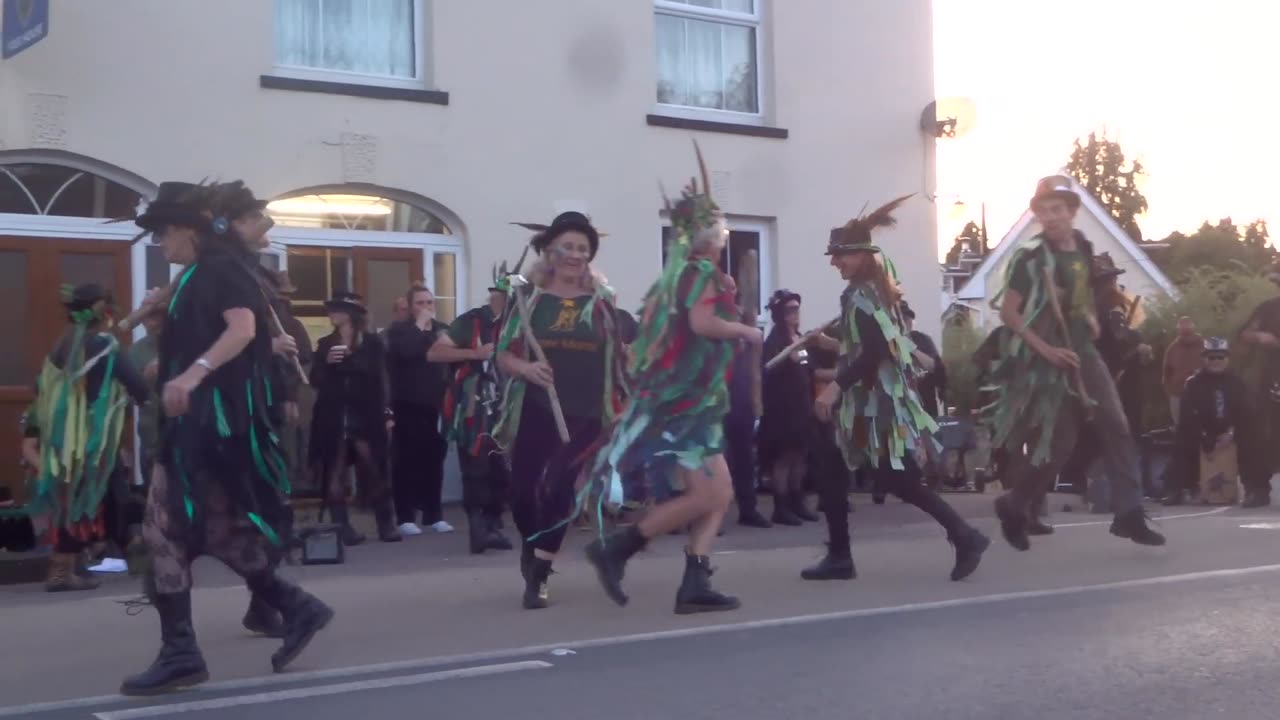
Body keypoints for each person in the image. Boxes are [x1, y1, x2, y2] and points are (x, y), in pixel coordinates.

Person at [121, 181, 332, 696]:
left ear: (190, 230)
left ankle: (182, 653)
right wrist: (158, 341)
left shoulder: (223, 270)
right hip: (196, 424)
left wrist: (191, 374)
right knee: (209, 532)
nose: (161, 244)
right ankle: (293, 606)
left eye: (166, 233)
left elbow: (240, 330)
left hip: (216, 425)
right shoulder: (196, 274)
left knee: (165, 531)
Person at [581, 146, 762, 615]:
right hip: (689, 411)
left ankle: (694, 580)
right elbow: (703, 325)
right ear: (709, 234)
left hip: (688, 404)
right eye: (720, 229)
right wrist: (745, 329)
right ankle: (618, 547)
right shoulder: (704, 274)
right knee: (710, 492)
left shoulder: (676, 276)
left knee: (719, 494)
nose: (724, 237)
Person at [804, 196, 989, 582]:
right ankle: (841, 555)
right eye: (834, 255)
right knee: (835, 466)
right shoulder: (870, 291)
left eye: (840, 255)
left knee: (894, 480)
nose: (834, 262)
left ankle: (964, 535)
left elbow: (875, 350)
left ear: (861, 255)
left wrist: (835, 386)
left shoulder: (864, 294)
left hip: (874, 403)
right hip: (869, 400)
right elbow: (872, 346)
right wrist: (831, 346)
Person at [985, 175, 1164, 550]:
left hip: (1083, 351)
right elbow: (1009, 314)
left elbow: (1080, 294)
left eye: (1057, 210)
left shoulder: (1082, 246)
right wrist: (1047, 351)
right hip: (1046, 359)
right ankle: (1016, 503)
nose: (1050, 217)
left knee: (1116, 425)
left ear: (1072, 211)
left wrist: (1091, 319)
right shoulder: (1031, 258)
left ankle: (1130, 515)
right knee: (1061, 444)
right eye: (1044, 211)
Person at [492, 211, 629, 609]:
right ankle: (533, 545)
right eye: (568, 246)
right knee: (521, 493)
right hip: (537, 408)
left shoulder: (603, 302)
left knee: (559, 490)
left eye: (583, 248)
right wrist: (528, 369)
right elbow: (504, 356)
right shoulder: (528, 300)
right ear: (550, 250)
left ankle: (540, 573)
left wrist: (624, 400)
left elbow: (617, 356)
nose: (575, 254)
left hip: (586, 412)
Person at [13, 284, 150, 592]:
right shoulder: (103, 344)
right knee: (80, 500)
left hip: (62, 438)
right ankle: (63, 573)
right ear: (104, 309)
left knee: (75, 499)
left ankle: (74, 566)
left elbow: (41, 388)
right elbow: (137, 385)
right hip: (88, 439)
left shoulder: (63, 344)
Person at [428, 266, 518, 554]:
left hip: (507, 407)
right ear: (498, 296)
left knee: (502, 472)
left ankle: (491, 527)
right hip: (474, 406)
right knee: (476, 468)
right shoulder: (471, 321)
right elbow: (435, 353)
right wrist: (474, 354)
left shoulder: (518, 325)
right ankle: (478, 531)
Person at [309, 292, 400, 545]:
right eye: (331, 310)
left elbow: (382, 379)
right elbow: (315, 380)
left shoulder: (371, 343)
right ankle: (342, 527)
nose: (331, 314)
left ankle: (386, 523)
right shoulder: (326, 343)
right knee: (334, 470)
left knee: (374, 467)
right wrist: (327, 363)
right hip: (333, 414)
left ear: (349, 314)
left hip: (366, 414)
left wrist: (387, 412)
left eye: (336, 310)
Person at [385, 285, 453, 535]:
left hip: (436, 404)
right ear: (411, 307)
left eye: (429, 302)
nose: (426, 307)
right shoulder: (400, 330)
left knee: (434, 459)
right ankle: (405, 516)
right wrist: (418, 326)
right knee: (406, 461)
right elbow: (404, 352)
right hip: (407, 404)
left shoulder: (441, 330)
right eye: (420, 303)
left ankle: (433, 514)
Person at [1166, 338, 1263, 506]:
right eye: (1211, 357)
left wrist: (1231, 433)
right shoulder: (1193, 383)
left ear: (1227, 359)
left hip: (1232, 430)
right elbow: (1188, 417)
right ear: (1204, 359)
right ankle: (1177, 489)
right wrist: (1205, 438)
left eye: (1220, 357)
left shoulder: (1237, 382)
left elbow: (1247, 413)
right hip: (1203, 430)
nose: (1216, 361)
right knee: (1182, 439)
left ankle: (1254, 491)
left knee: (1252, 439)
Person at [757, 289, 820, 525]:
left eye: (797, 309)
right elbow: (767, 371)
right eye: (790, 310)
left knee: (800, 456)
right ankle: (781, 507)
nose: (795, 314)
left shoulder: (799, 339)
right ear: (780, 314)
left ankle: (797, 501)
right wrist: (787, 361)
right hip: (782, 409)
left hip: (802, 407)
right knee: (783, 458)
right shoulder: (775, 341)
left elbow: (808, 366)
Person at [1162, 316, 1202, 425]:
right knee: (1180, 427)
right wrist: (1170, 392)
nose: (1185, 327)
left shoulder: (1203, 344)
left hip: (1201, 393)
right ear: (1178, 328)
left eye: (1187, 324)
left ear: (1193, 326)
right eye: (1182, 324)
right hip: (1177, 394)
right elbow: (1166, 373)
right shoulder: (1172, 348)